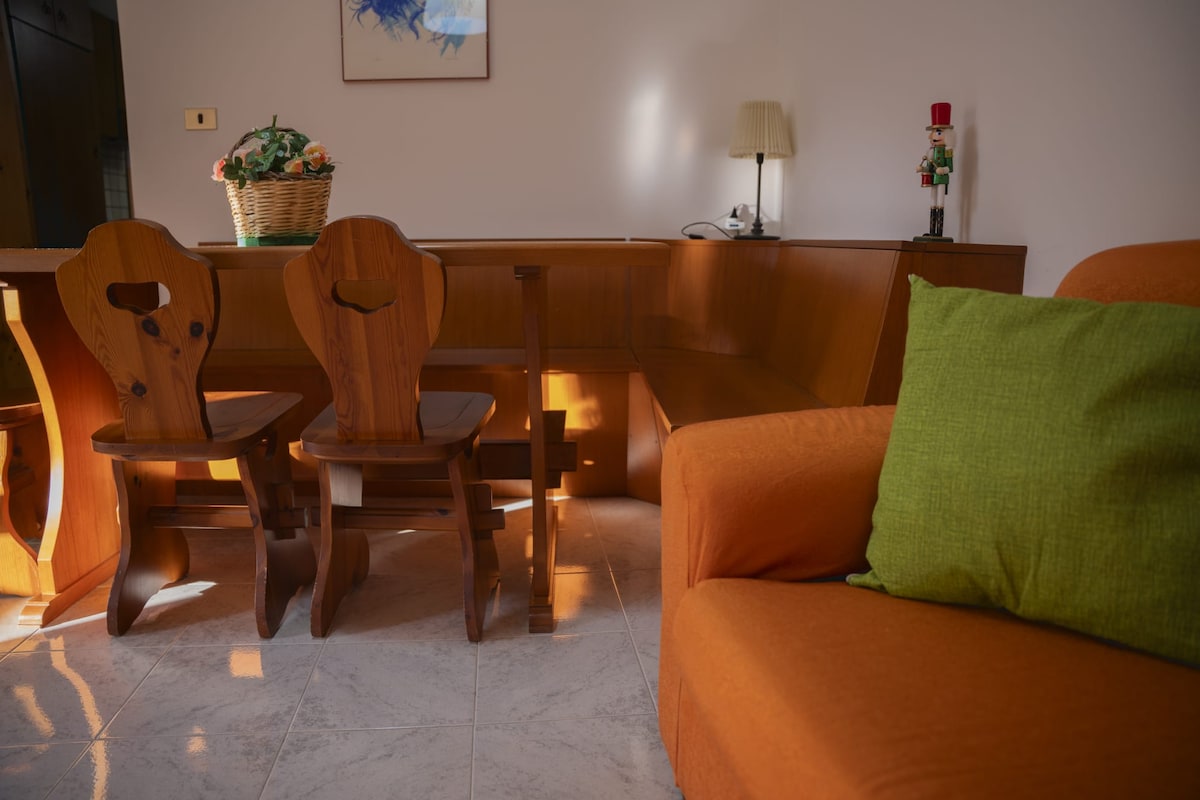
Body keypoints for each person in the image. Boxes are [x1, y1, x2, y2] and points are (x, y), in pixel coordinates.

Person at [916, 102, 955, 240]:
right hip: (933, 178)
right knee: (932, 203)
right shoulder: (931, 152)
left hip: (942, 179)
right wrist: (922, 168)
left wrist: (942, 169)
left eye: (938, 132)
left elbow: (950, 167)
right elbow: (929, 167)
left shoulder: (948, 151)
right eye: (934, 132)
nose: (933, 136)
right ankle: (932, 231)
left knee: (940, 203)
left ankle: (939, 232)